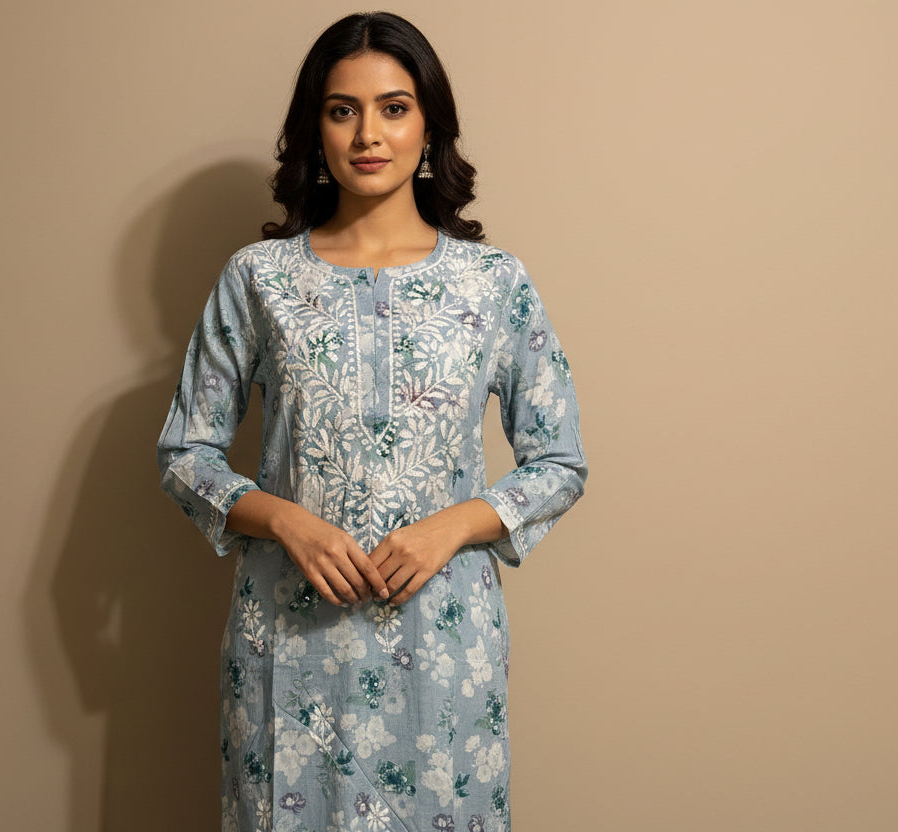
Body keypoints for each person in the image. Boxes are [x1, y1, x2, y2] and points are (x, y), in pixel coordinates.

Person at [157, 12, 586, 831]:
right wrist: (285, 520)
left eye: (394, 108)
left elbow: (559, 462)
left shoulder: (493, 283)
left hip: (444, 648)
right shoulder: (258, 279)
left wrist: (453, 526)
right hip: (290, 640)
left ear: (430, 127)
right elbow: (185, 453)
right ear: (313, 129)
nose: (367, 134)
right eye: (341, 110)